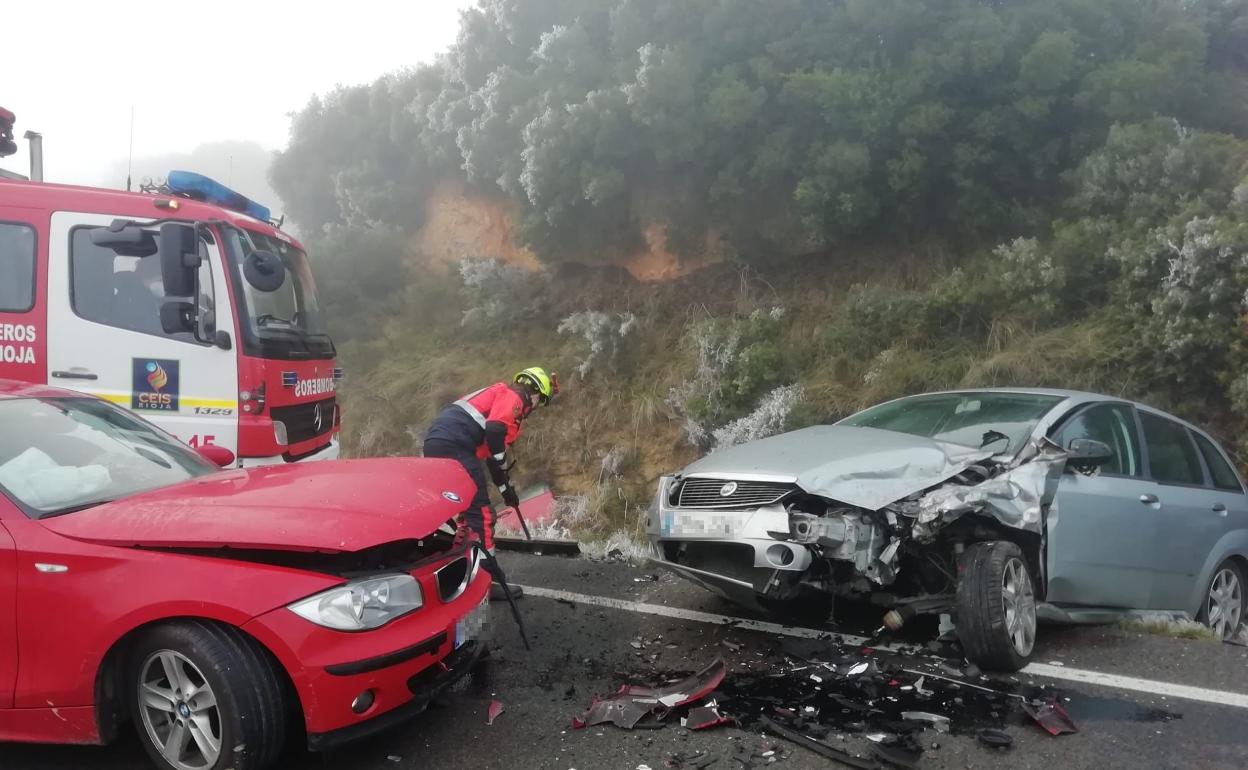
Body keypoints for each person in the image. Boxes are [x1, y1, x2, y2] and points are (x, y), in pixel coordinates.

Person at [423, 367, 558, 598]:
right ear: (534, 391)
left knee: (466, 512)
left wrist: (507, 490)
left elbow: (490, 457)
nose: (536, 406)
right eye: (540, 400)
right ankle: (488, 582)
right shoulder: (515, 396)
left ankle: (464, 570)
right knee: (483, 514)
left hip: (438, 443)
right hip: (456, 444)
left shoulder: (494, 398)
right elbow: (495, 432)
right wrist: (502, 459)